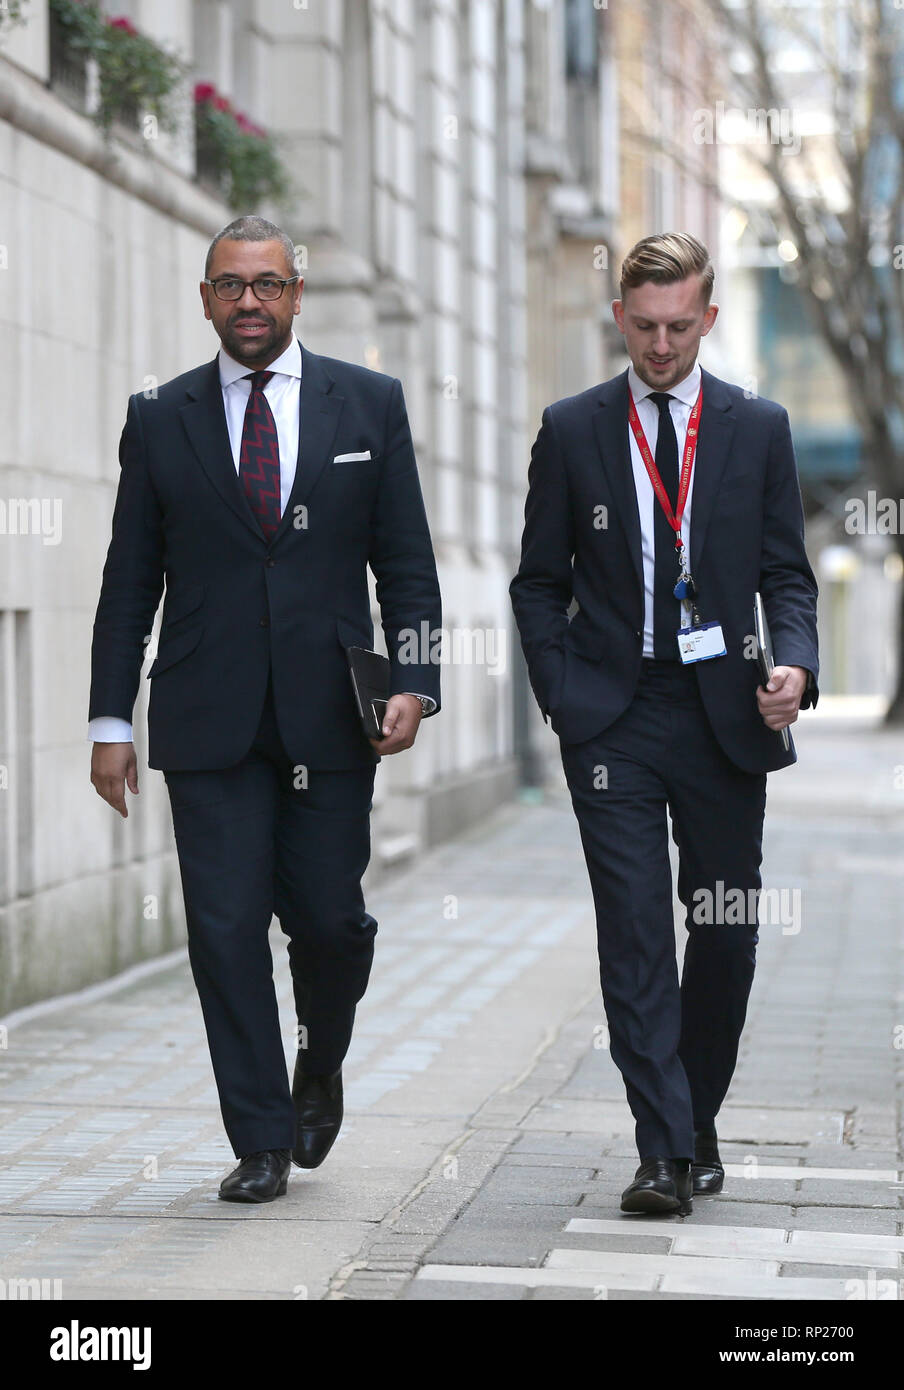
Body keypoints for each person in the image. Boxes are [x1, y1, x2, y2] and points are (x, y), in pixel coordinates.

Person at [89, 215, 441, 1203]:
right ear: (206, 299)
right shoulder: (160, 417)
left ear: (296, 295)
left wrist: (413, 680)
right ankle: (259, 1136)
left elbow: (406, 566)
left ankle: (318, 1058)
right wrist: (108, 721)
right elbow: (128, 584)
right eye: (231, 285)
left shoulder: (367, 405)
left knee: (329, 923)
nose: (250, 301)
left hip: (335, 717)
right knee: (225, 927)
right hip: (207, 720)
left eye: (269, 284)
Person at [510, 232, 818, 1216]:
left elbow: (786, 574)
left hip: (725, 713)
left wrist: (796, 666)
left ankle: (694, 1115)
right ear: (619, 321)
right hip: (614, 715)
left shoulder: (756, 426)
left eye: (679, 327)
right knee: (634, 932)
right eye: (642, 327)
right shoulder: (572, 429)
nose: (659, 345)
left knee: (720, 931)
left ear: (708, 320)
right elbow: (536, 584)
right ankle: (660, 1150)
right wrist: (562, 695)